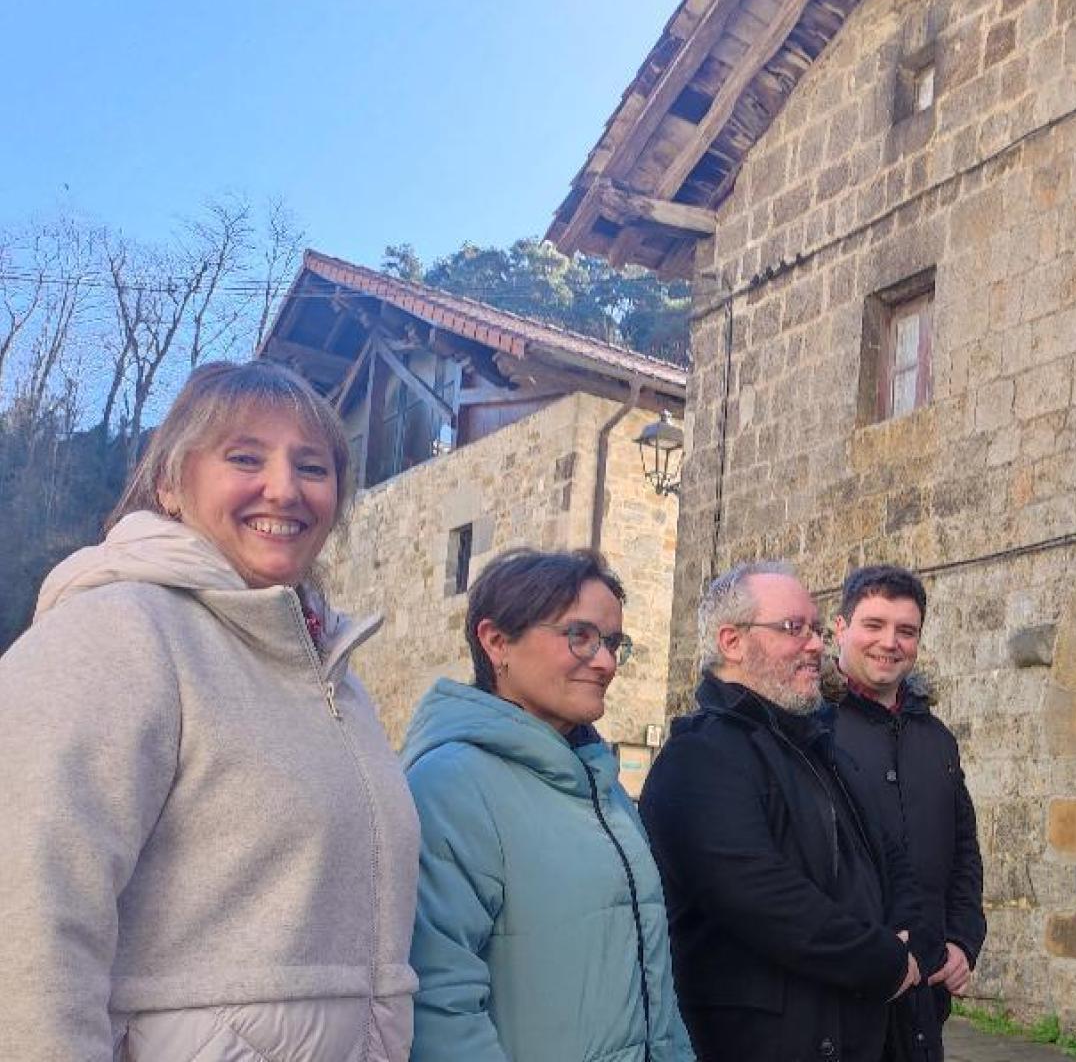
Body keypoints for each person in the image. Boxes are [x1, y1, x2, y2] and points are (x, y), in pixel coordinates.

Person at [0, 359, 419, 1060]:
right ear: (170, 482)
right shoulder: (119, 631)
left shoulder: (337, 678)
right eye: (245, 457)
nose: (284, 489)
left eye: (312, 467)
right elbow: (25, 914)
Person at [402, 548, 693, 1062]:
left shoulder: (602, 787)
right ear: (496, 642)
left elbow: (652, 985)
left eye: (613, 642)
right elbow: (438, 1002)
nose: (604, 662)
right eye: (579, 636)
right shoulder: (450, 785)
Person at [641, 561, 922, 1062]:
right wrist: (884, 961)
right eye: (794, 628)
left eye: (815, 628)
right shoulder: (698, 758)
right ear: (732, 642)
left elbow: (888, 856)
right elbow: (764, 899)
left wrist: (911, 938)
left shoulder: (817, 746)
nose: (815, 644)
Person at [824, 566, 986, 1062]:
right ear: (840, 628)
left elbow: (962, 852)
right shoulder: (811, 731)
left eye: (906, 630)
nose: (889, 642)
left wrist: (962, 940)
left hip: (925, 1004)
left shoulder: (936, 740)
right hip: (839, 1002)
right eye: (873, 625)